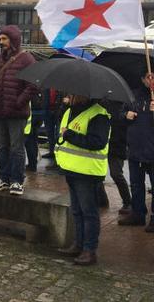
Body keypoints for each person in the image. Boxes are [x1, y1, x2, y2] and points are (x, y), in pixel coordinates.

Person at [55, 94, 111, 266]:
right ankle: (78, 244)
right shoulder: (70, 110)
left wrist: (70, 135)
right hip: (71, 168)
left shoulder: (98, 114)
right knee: (77, 211)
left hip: (87, 171)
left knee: (89, 212)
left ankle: (89, 250)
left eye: (72, 94)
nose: (68, 96)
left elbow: (97, 142)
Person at [0, 25, 37, 196]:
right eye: (0, 39)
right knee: (2, 147)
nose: (1, 42)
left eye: (4, 39)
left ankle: (17, 180)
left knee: (16, 147)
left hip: (16, 113)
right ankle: (3, 178)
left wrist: (18, 102)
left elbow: (32, 85)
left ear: (13, 39)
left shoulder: (26, 59)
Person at [118, 73, 154, 230]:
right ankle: (138, 213)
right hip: (135, 148)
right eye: (148, 76)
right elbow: (120, 115)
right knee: (136, 184)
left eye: (153, 76)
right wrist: (126, 115)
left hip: (152, 150)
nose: (150, 80)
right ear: (142, 79)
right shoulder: (132, 95)